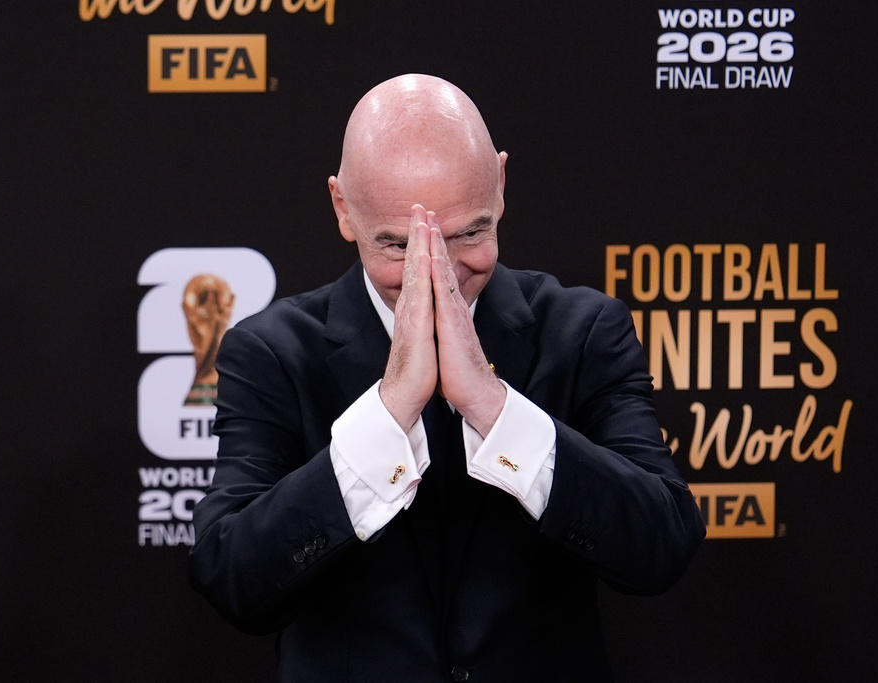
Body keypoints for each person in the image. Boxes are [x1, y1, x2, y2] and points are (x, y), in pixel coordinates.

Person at [190, 73, 705, 682]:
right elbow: (236, 580)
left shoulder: (585, 331)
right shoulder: (272, 352)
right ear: (343, 209)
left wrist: (492, 406)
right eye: (397, 245)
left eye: (470, 233)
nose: (438, 269)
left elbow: (661, 547)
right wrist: (389, 412)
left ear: (501, 186)